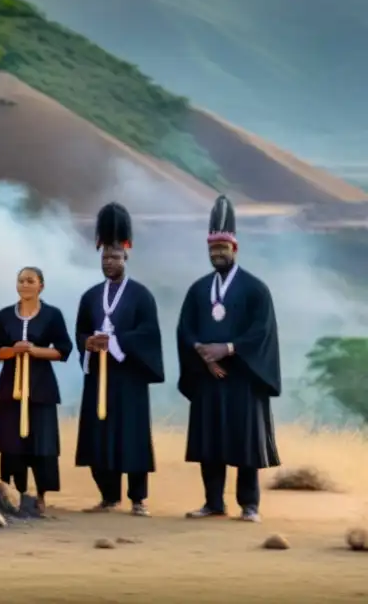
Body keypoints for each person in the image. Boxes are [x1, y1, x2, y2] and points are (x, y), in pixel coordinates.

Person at [177, 194, 281, 523]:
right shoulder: (197, 290)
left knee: (245, 444)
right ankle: (213, 503)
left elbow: (261, 331)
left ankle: (249, 505)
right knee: (211, 443)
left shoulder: (255, 289)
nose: (217, 254)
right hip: (210, 377)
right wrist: (203, 354)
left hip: (243, 378)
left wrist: (227, 349)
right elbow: (185, 328)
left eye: (222, 248)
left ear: (235, 249)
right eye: (212, 249)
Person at [74, 202, 164, 517]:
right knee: (99, 436)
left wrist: (115, 342)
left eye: (114, 256)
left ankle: (138, 498)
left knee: (132, 437)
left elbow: (149, 333)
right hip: (98, 374)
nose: (109, 262)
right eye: (104, 257)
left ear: (126, 256)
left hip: (129, 377)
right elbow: (81, 331)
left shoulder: (141, 295)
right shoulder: (89, 296)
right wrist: (89, 343)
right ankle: (109, 496)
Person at [0, 266, 73, 515]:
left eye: (30, 281)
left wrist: (34, 350)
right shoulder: (5, 315)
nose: (25, 285)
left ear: (41, 286)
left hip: (40, 387)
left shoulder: (52, 315)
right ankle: (14, 492)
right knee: (11, 441)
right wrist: (14, 350)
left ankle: (41, 496)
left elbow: (63, 350)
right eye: (21, 281)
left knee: (41, 441)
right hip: (10, 387)